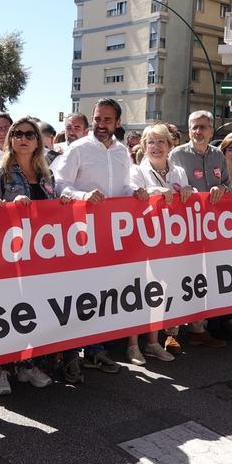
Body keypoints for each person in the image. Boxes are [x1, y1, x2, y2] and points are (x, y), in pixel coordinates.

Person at [0, 117, 78, 385]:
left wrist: (62, 203)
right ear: (10, 139)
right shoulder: (0, 173)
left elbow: (52, 211)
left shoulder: (47, 175)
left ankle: (27, 364)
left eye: (29, 134)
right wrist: (9, 204)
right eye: (17, 134)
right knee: (6, 313)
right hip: (9, 256)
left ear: (38, 141)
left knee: (32, 311)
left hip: (40, 256)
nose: (22, 138)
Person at [54, 98, 144, 372]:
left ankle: (96, 350)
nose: (101, 125)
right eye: (97, 119)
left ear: (117, 123)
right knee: (77, 293)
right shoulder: (78, 149)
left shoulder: (121, 153)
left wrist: (134, 193)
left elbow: (124, 185)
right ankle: (69, 355)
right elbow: (59, 184)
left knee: (102, 294)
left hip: (111, 235)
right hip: (79, 234)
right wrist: (83, 197)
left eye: (107, 120)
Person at [128, 123, 194, 360]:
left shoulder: (179, 172)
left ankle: (153, 342)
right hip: (144, 240)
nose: (155, 147)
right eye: (150, 142)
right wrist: (153, 191)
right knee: (141, 291)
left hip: (171, 241)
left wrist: (189, 190)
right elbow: (131, 196)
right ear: (144, 147)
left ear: (170, 145)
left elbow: (185, 200)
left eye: (160, 142)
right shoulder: (136, 171)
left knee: (161, 292)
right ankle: (133, 345)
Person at [168, 110, 229, 348]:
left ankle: (197, 329)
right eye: (194, 127)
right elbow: (168, 185)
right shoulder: (176, 154)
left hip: (212, 229)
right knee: (179, 277)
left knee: (204, 278)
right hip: (183, 229)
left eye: (203, 127)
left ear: (211, 130)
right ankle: (171, 332)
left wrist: (222, 188)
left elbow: (229, 185)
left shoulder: (219, 156)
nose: (198, 131)